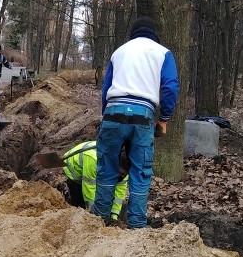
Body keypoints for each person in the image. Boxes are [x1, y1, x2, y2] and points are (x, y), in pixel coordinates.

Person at [93, 15, 179, 230]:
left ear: (133, 33)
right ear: (154, 34)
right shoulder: (163, 53)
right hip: (143, 116)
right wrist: (165, 119)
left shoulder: (119, 52)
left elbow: (106, 88)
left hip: (113, 112)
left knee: (106, 169)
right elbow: (170, 87)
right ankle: (136, 229)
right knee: (141, 172)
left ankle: (98, 224)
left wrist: (107, 117)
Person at [36, 142, 129, 221]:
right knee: (79, 204)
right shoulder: (94, 160)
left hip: (97, 170)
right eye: (119, 173)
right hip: (75, 169)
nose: (121, 176)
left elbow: (119, 192)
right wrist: (93, 214)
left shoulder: (125, 169)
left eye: (122, 175)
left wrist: (114, 215)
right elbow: (89, 186)